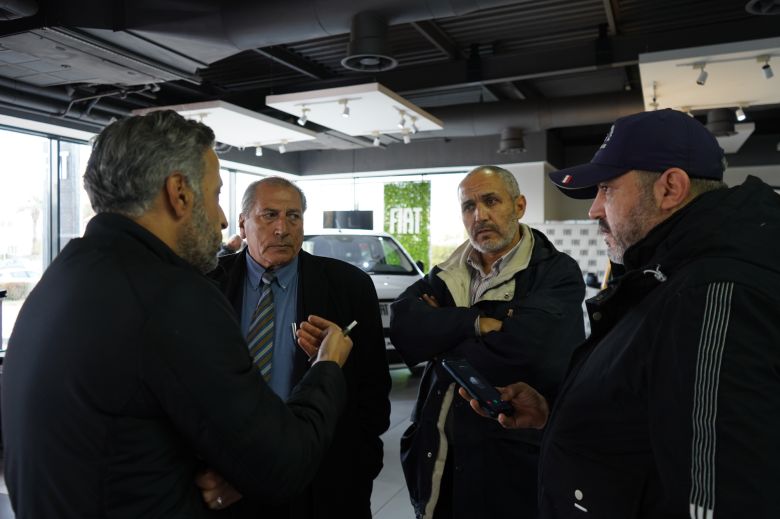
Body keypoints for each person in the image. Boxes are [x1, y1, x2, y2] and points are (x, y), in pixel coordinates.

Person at [1, 110, 354, 518]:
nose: (222, 220)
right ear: (180, 193)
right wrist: (327, 366)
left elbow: (125, 434)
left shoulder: (61, 278)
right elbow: (284, 465)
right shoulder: (174, 297)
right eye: (216, 194)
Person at [462, 108, 780, 517]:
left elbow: (722, 497)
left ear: (670, 188)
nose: (594, 210)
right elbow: (652, 419)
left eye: (607, 190)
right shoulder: (663, 277)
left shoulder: (714, 293)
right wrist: (555, 413)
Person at [389, 166, 586, 518]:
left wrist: (440, 340)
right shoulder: (450, 271)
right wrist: (476, 323)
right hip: (438, 456)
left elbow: (530, 354)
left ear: (519, 205)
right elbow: (404, 325)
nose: (479, 215)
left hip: (508, 464)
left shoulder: (555, 272)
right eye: (469, 206)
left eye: (491, 201)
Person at [207, 177, 391, 519]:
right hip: (228, 476)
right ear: (243, 224)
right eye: (269, 215)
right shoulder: (207, 284)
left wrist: (361, 465)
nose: (282, 228)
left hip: (322, 477)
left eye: (293, 216)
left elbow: (373, 390)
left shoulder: (349, 287)